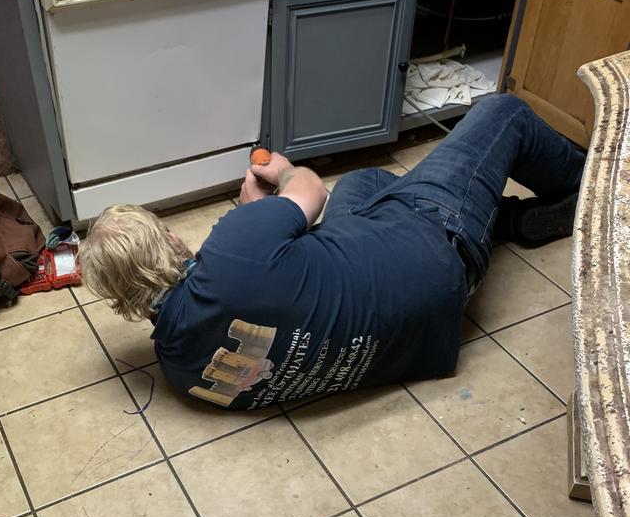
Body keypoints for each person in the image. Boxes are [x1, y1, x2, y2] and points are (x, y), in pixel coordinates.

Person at [80, 94, 584, 411]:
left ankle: (511, 220)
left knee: (365, 183)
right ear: (169, 241)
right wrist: (281, 177)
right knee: (502, 113)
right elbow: (312, 190)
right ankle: (601, 183)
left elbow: (253, 289)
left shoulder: (178, 369)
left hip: (417, 324)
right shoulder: (234, 247)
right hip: (435, 248)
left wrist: (260, 220)